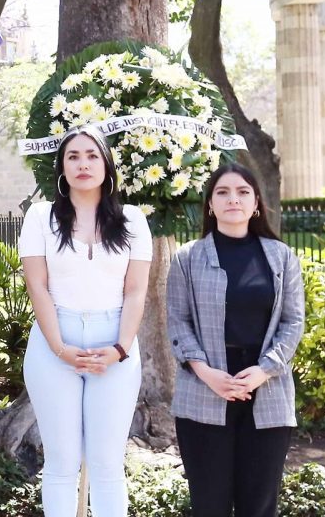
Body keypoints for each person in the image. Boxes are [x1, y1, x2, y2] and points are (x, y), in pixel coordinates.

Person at [19, 126, 151, 517]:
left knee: (108, 463)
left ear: (107, 165)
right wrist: (60, 348)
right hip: (53, 343)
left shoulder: (132, 221)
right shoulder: (41, 217)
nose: (83, 164)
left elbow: (135, 292)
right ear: (61, 166)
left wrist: (120, 349)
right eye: (73, 156)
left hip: (114, 344)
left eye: (92, 155)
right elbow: (38, 287)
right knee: (61, 462)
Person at [167, 163, 305, 517]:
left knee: (259, 505)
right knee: (209, 504)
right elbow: (178, 323)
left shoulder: (282, 257)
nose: (233, 199)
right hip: (204, 388)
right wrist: (206, 372)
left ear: (256, 202)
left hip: (267, 389)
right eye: (223, 192)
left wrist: (265, 369)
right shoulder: (187, 258)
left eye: (243, 192)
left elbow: (293, 322)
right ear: (210, 205)